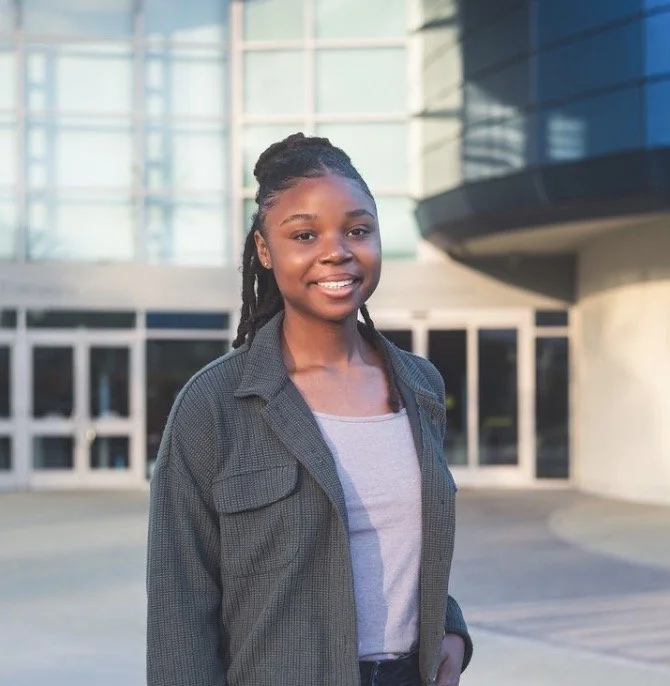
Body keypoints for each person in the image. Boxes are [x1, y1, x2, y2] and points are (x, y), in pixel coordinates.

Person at [146, 133, 473, 686]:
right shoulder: (215, 406)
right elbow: (180, 611)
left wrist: (449, 625)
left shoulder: (419, 386)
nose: (337, 250)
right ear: (265, 250)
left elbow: (402, 546)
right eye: (304, 234)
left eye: (357, 230)